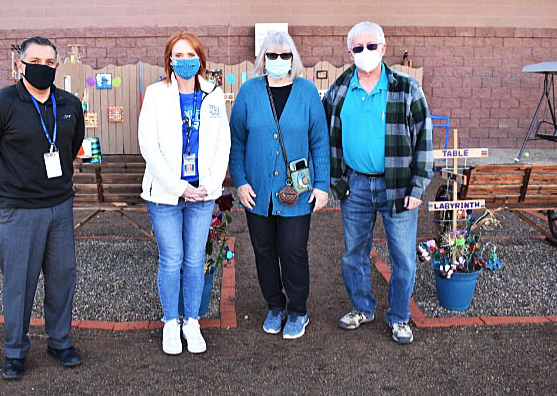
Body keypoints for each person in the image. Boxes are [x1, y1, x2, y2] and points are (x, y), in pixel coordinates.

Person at [0, 36, 85, 378]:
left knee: (63, 278)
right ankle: (15, 350)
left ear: (56, 66)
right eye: (34, 61)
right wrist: (7, 185)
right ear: (19, 64)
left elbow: (73, 143)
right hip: (19, 210)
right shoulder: (1, 104)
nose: (42, 67)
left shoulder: (69, 104)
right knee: (19, 283)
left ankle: (60, 342)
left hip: (60, 207)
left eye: (49, 62)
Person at [323, 22, 433, 344]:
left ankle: (399, 317)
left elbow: (424, 140)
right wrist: (336, 181)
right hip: (355, 186)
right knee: (353, 254)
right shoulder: (338, 91)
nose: (365, 52)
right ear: (350, 54)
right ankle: (362, 307)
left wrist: (417, 187)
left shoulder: (407, 89)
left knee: (403, 258)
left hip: (397, 186)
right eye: (358, 48)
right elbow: (326, 139)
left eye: (371, 46)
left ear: (383, 49)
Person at [229, 31, 330, 340]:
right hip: (257, 192)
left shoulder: (307, 92)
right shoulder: (249, 92)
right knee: (263, 251)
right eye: (271, 55)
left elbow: (320, 142)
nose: (277, 60)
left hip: (297, 193)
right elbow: (236, 142)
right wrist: (240, 182)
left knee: (293, 250)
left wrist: (322, 185)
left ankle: (298, 310)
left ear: (293, 58)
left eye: (284, 55)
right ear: (263, 58)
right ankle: (275, 305)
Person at [138, 32, 230, 355]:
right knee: (172, 258)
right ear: (169, 60)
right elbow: (149, 146)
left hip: (202, 194)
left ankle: (192, 321)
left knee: (194, 260)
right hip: (165, 195)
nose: (185, 60)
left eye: (191, 54)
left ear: (200, 59)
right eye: (178, 55)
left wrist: (210, 184)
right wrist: (181, 188)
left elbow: (222, 143)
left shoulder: (213, 95)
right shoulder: (155, 94)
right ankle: (170, 323)